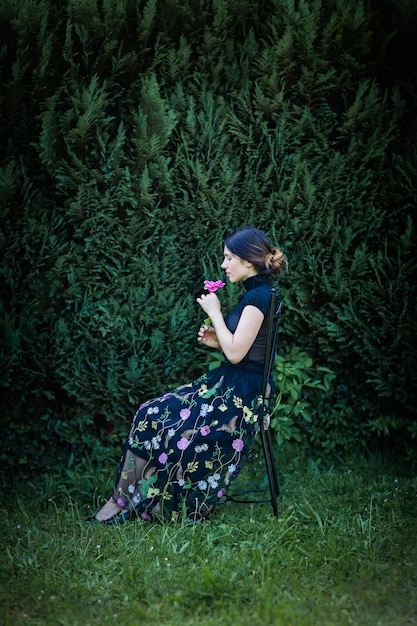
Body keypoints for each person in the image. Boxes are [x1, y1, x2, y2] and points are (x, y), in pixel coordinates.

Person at [91, 227, 287, 524]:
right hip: (232, 383)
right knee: (151, 413)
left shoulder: (258, 298)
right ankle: (123, 501)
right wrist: (216, 340)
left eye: (228, 257)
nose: (223, 265)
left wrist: (216, 313)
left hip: (243, 394)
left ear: (248, 261)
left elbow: (237, 355)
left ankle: (130, 502)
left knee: (158, 418)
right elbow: (245, 347)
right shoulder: (258, 293)